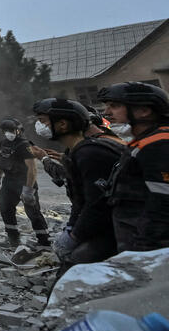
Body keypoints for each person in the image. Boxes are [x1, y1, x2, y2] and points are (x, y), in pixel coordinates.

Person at [32, 99, 121, 276]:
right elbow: (79, 198)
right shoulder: (77, 152)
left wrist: (75, 236)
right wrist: (71, 227)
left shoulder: (90, 154)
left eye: (43, 121)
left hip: (118, 229)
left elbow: (97, 205)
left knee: (73, 271)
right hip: (108, 226)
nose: (39, 126)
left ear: (63, 124)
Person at [98, 82, 169, 252]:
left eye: (114, 106)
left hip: (151, 244)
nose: (107, 113)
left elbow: (163, 200)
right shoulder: (143, 142)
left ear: (144, 111)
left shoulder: (158, 144)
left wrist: (146, 244)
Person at [0, 118, 51, 248]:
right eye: (6, 131)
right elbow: (2, 161)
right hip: (9, 181)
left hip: (25, 181)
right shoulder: (3, 143)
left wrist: (28, 190)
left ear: (18, 130)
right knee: (5, 209)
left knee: (33, 212)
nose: (9, 133)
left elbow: (32, 168)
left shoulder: (24, 145)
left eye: (11, 130)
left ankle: (44, 242)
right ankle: (13, 239)